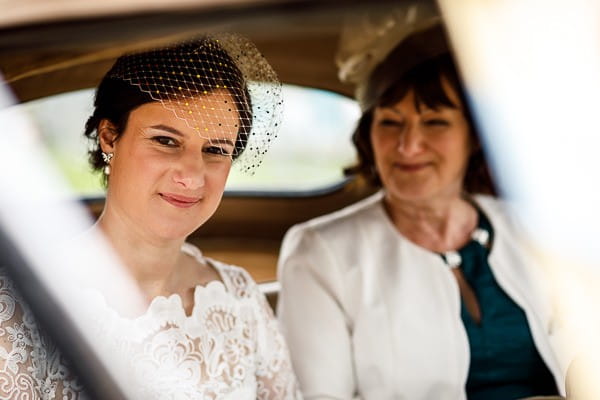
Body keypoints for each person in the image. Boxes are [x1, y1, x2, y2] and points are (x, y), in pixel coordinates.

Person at [277, 19, 572, 400]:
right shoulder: (319, 252)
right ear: (368, 135)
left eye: (435, 122)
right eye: (390, 122)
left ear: (475, 137)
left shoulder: (533, 227)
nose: (409, 145)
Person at [0, 35, 300, 399]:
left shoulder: (239, 296)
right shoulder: (21, 306)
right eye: (166, 141)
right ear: (110, 137)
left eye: (215, 150)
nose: (191, 175)